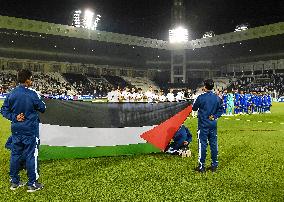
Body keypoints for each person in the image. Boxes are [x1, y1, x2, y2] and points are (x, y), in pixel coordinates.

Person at [0, 69, 46, 192]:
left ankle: (14, 182)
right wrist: (40, 99)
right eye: (31, 79)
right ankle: (32, 183)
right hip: (30, 130)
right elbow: (42, 108)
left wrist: (14, 117)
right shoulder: (32, 93)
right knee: (31, 155)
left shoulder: (11, 94)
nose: (31, 81)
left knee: (15, 155)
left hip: (16, 130)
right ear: (27, 80)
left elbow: (3, 110)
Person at [192, 79, 223, 173]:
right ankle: (214, 165)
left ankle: (202, 166)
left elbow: (194, 108)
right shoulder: (217, 98)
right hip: (213, 124)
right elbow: (221, 110)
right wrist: (214, 116)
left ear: (204, 87)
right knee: (213, 144)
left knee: (203, 145)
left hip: (203, 125)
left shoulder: (200, 97)